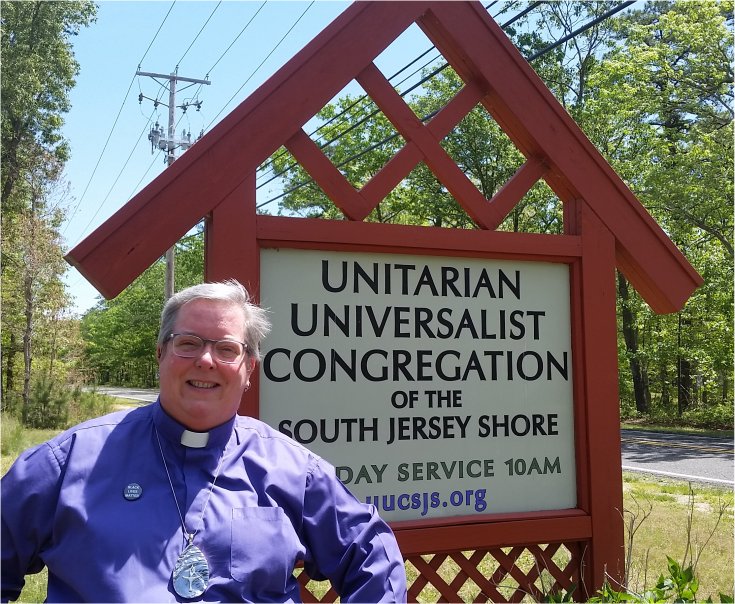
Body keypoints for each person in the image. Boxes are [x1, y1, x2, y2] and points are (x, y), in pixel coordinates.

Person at [1, 279, 407, 603]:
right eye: (188, 343)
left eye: (226, 349)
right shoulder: (67, 462)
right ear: (160, 353)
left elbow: (370, 551)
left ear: (248, 369)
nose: (206, 360)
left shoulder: (293, 470)